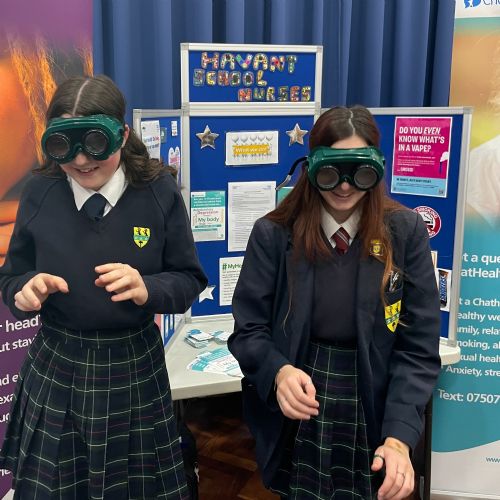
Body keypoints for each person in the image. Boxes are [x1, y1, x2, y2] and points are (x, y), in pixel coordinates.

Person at [0, 74, 207, 499]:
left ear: (123, 135)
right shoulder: (40, 191)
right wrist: (24, 292)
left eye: (95, 143)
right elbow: (11, 277)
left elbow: (189, 280)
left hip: (134, 364)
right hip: (57, 363)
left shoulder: (157, 189)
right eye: (65, 146)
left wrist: (148, 288)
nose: (80, 160)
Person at [228, 106, 441, 500]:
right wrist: (278, 372)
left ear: (377, 168)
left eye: (359, 172)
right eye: (330, 172)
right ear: (311, 167)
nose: (344, 186)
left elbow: (418, 347)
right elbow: (248, 331)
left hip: (373, 398)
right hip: (302, 397)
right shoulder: (273, 234)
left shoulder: (404, 232)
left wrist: (398, 437)